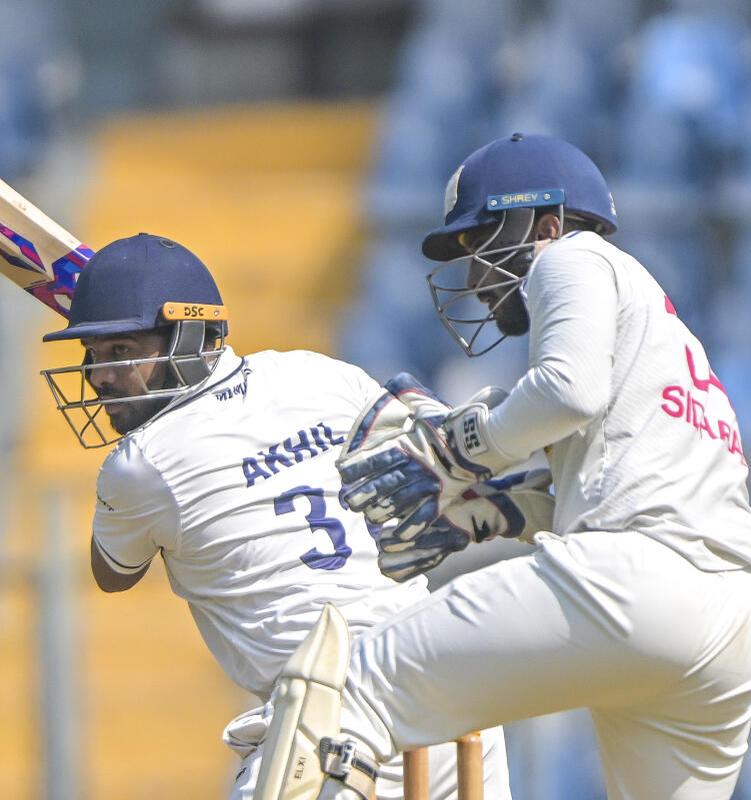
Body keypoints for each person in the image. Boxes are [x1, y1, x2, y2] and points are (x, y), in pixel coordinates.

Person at [254, 133, 751, 800]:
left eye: (481, 242)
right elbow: (629, 489)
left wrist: (461, 448)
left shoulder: (573, 257)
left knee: (346, 688)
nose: (475, 275)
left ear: (547, 224)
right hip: (733, 622)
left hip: (632, 587)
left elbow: (568, 391)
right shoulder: (664, 339)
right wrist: (505, 509)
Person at [39, 232, 538, 799]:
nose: (99, 376)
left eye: (121, 352)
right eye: (94, 354)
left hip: (332, 723)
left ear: (189, 336)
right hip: (447, 683)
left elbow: (114, 572)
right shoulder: (318, 373)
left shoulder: (139, 466)